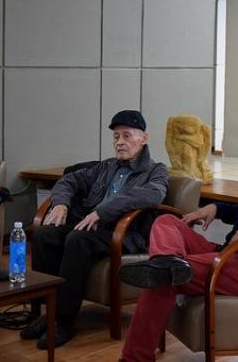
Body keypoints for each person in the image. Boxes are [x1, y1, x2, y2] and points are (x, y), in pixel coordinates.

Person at [118, 104, 238, 362]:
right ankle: (167, 263)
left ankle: (134, 358)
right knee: (167, 221)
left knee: (161, 278)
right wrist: (217, 208)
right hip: (231, 256)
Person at [22, 110, 168, 349]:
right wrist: (60, 203)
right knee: (45, 232)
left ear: (144, 138)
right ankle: (48, 313)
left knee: (78, 239)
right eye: (116, 137)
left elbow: (152, 194)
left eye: (127, 136)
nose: (120, 142)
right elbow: (68, 181)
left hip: (124, 233)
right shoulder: (106, 166)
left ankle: (64, 321)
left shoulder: (156, 170)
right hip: (89, 225)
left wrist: (103, 211)